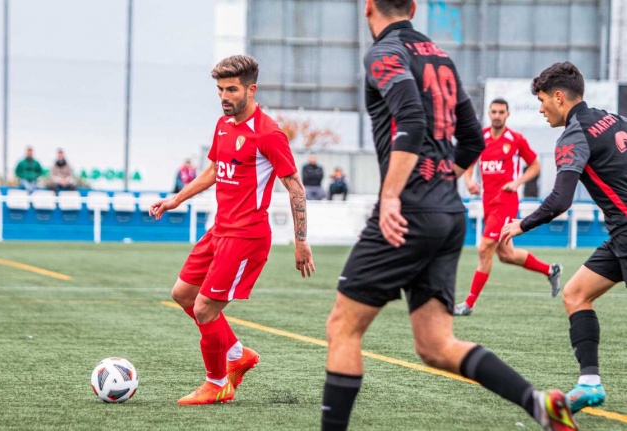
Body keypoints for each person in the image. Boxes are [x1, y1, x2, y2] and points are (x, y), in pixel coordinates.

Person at [320, 2, 577, 431]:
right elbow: (473, 138)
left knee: (342, 329)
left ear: (368, 7)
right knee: (436, 345)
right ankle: (538, 404)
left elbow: (412, 121)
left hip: (408, 212)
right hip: (446, 212)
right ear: (414, 7)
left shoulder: (384, 52)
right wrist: (443, 180)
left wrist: (390, 196)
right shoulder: (439, 55)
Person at [149, 54, 315, 406]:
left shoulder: (269, 134)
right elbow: (212, 171)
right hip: (219, 231)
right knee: (183, 295)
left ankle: (217, 384)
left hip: (246, 237)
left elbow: (296, 188)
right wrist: (176, 199)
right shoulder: (222, 126)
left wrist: (301, 241)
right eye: (220, 89)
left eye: (232, 90)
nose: (224, 96)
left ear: (251, 90)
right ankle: (237, 353)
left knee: (206, 308)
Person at [502, 61, 627, 415]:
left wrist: (520, 225)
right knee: (575, 293)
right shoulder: (612, 119)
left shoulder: (573, 135)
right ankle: (590, 384)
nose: (540, 108)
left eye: (542, 100)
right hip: (619, 236)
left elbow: (560, 200)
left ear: (559, 97)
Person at [454, 98, 561, 316]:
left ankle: (468, 304)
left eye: (501, 112)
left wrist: (518, 182)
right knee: (506, 255)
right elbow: (469, 163)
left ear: (507, 114)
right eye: (493, 111)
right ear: (489, 113)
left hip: (506, 203)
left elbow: (535, 166)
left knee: (484, 249)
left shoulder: (515, 139)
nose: (496, 115)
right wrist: (469, 181)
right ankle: (551, 271)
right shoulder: (481, 137)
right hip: (488, 203)